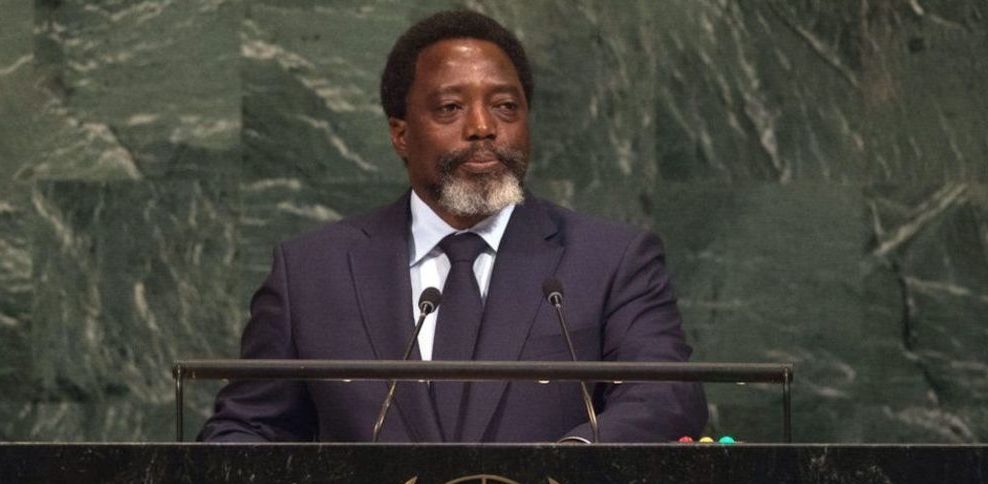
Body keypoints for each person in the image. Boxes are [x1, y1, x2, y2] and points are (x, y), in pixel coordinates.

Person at [199, 10, 707, 443]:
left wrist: (565, 467)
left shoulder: (611, 260)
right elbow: (248, 428)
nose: (483, 127)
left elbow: (665, 397)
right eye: (450, 108)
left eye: (505, 106)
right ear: (400, 134)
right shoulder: (312, 272)